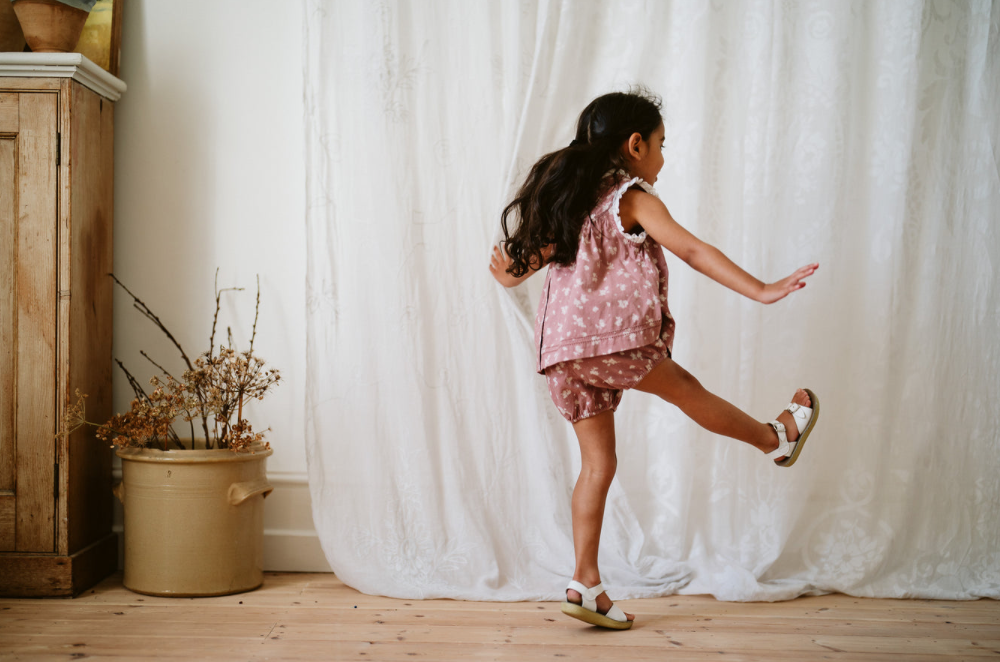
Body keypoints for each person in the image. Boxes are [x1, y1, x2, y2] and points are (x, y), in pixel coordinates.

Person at [489, 89, 820, 630]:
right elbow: (692, 250)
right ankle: (775, 439)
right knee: (685, 388)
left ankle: (585, 582)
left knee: (597, 465)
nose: (663, 158)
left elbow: (516, 272)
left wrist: (506, 271)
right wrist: (761, 290)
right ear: (635, 145)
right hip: (608, 339)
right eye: (662, 145)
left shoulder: (570, 201)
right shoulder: (630, 198)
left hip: (561, 352)